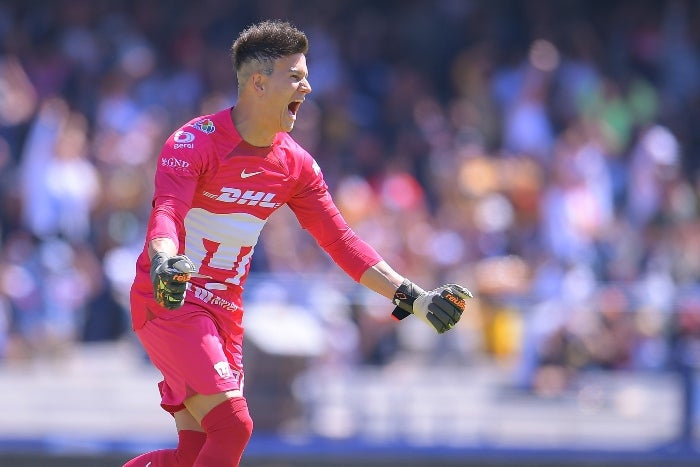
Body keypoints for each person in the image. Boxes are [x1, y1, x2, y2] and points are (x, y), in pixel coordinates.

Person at [123, 19, 472, 467]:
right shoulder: (194, 142)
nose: (307, 88)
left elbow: (341, 241)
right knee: (234, 426)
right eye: (296, 76)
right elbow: (166, 212)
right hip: (171, 302)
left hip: (224, 316)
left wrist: (415, 298)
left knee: (196, 453)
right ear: (258, 83)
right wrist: (165, 262)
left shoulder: (296, 165)